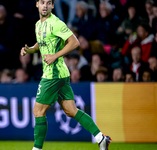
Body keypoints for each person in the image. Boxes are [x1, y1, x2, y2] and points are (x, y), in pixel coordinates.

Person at [20, 1, 111, 150]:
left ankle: (36, 149)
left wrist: (55, 55)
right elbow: (41, 42)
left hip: (53, 74)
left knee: (38, 111)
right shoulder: (38, 24)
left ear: (53, 6)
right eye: (42, 2)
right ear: (36, 4)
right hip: (61, 74)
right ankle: (101, 138)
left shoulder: (56, 23)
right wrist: (30, 49)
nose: (45, 5)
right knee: (71, 110)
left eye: (49, 3)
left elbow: (74, 42)